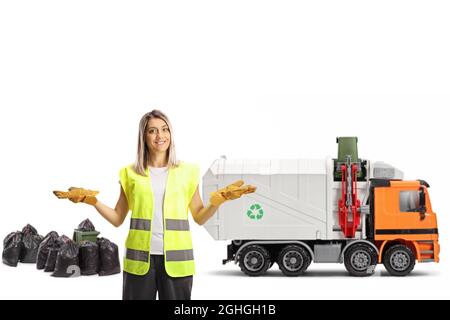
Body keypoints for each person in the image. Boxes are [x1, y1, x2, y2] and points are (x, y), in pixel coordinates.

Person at [54, 110, 256, 300]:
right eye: (152, 130)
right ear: (144, 137)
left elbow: (199, 216)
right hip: (139, 262)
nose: (160, 135)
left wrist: (216, 202)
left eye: (165, 129)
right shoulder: (130, 173)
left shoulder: (187, 172)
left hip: (177, 264)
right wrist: (93, 202)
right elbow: (117, 218)